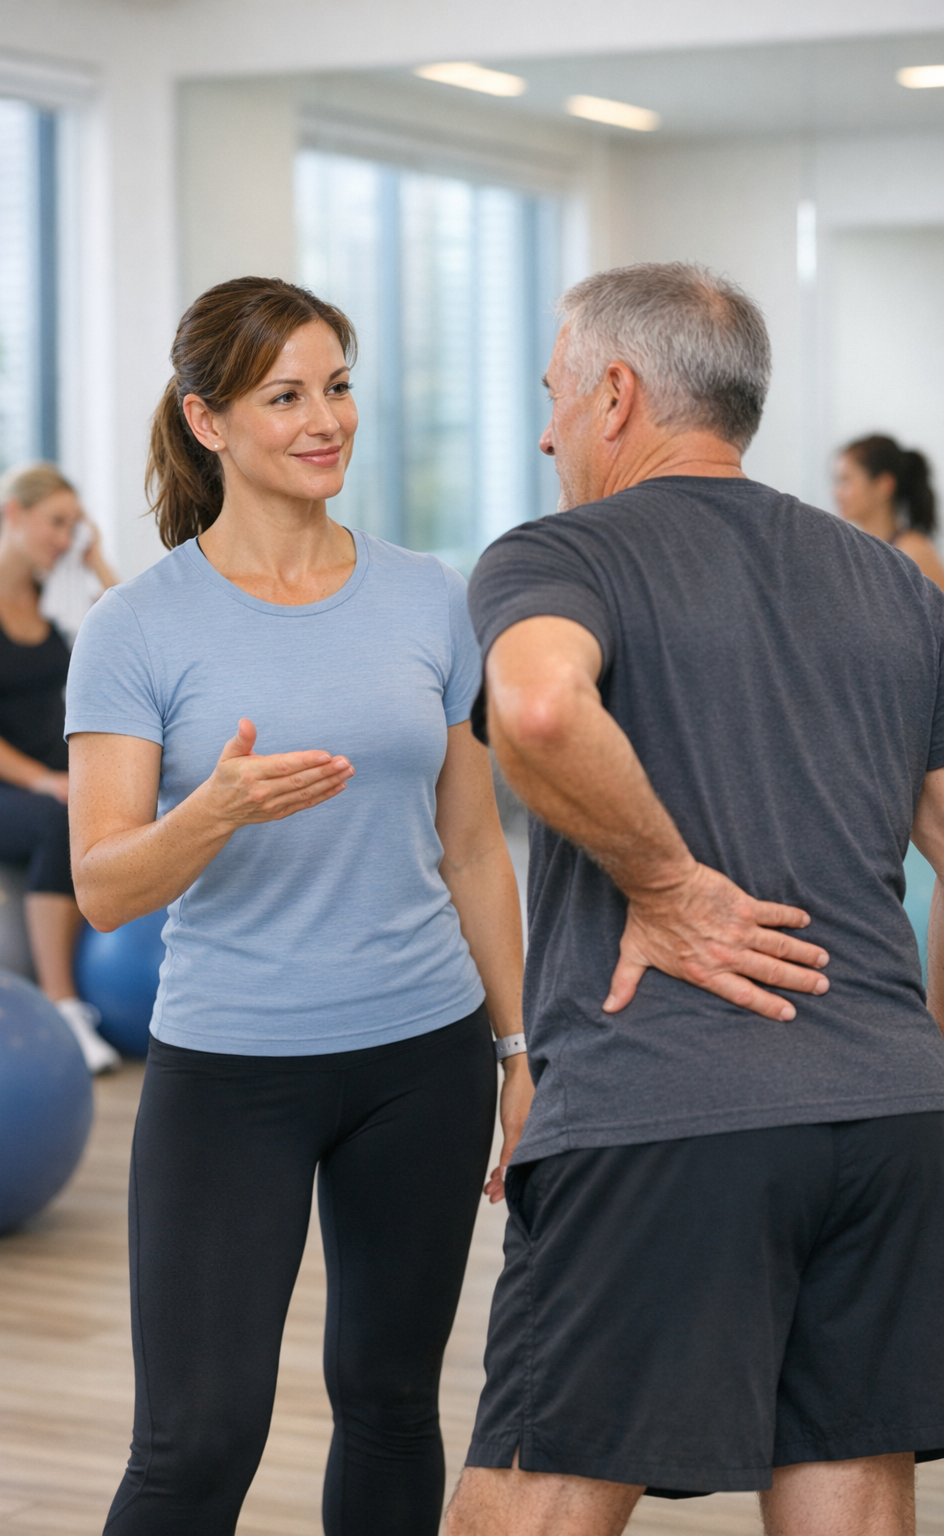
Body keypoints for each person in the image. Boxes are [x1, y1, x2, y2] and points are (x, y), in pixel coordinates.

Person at [446, 262, 944, 1536]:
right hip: (890, 1117)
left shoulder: (560, 552)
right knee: (850, 1478)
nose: (546, 431)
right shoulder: (891, 580)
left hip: (659, 1110)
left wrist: (666, 887)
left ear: (615, 394)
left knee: (537, 1495)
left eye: (554, 394)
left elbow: (537, 708)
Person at [64, 276, 530, 1536]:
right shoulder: (135, 627)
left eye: (337, 387)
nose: (325, 420)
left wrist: (519, 1051)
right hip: (231, 1067)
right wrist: (211, 811)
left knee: (390, 1403)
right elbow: (103, 887)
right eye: (285, 396)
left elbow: (474, 848)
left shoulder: (428, 595)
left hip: (423, 1057)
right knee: (196, 1442)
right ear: (206, 420)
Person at [0, 462, 121, 1073]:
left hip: (54, 782)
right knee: (58, 821)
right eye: (56, 523)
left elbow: (132, 630)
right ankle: (65, 1008)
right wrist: (45, 782)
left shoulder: (55, 600)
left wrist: (94, 559)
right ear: (14, 514)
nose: (64, 538)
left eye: (73, 527)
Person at [834, 433, 944, 591]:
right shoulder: (851, 551)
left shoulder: (913, 552)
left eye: (846, 480)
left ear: (884, 484)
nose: (836, 493)